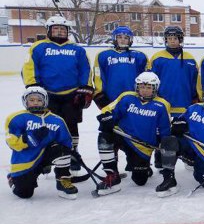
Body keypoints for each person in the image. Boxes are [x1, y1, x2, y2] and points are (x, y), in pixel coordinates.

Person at [21, 15, 92, 171]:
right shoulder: (38, 47)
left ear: (67, 31)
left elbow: (85, 69)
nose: (59, 32)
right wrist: (33, 85)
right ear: (48, 30)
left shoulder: (77, 49)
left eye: (62, 29)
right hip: (47, 95)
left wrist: (85, 88)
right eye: (56, 29)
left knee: (71, 125)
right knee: (46, 125)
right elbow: (29, 67)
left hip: (72, 94)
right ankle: (45, 156)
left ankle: (72, 153)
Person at [95, 71, 179, 196]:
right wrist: (106, 118)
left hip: (142, 146)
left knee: (140, 180)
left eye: (149, 87)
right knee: (105, 136)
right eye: (142, 87)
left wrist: (164, 145)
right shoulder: (127, 97)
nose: (144, 90)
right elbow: (109, 110)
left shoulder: (161, 105)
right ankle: (112, 175)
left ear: (155, 88)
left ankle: (144, 168)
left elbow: (164, 131)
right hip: (123, 136)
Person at [6, 86, 78, 199]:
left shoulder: (57, 120)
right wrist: (29, 137)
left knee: (61, 150)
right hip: (25, 161)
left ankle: (63, 181)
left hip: (46, 157)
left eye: (39, 100)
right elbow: (12, 143)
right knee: (24, 194)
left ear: (45, 101)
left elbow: (65, 142)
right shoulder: (17, 118)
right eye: (32, 100)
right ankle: (12, 178)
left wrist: (71, 152)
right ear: (25, 101)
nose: (35, 103)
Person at [92, 25, 148, 109]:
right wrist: (99, 94)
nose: (122, 40)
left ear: (130, 40)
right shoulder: (103, 55)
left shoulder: (140, 56)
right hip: (110, 99)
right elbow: (98, 77)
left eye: (126, 38)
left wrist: (145, 94)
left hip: (134, 98)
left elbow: (146, 77)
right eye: (119, 37)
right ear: (114, 39)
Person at [148, 25, 198, 116]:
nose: (172, 40)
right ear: (166, 40)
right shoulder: (157, 57)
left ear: (180, 40)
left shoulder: (190, 59)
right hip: (162, 102)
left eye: (175, 38)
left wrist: (195, 97)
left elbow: (195, 81)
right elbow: (150, 80)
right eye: (169, 38)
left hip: (185, 102)